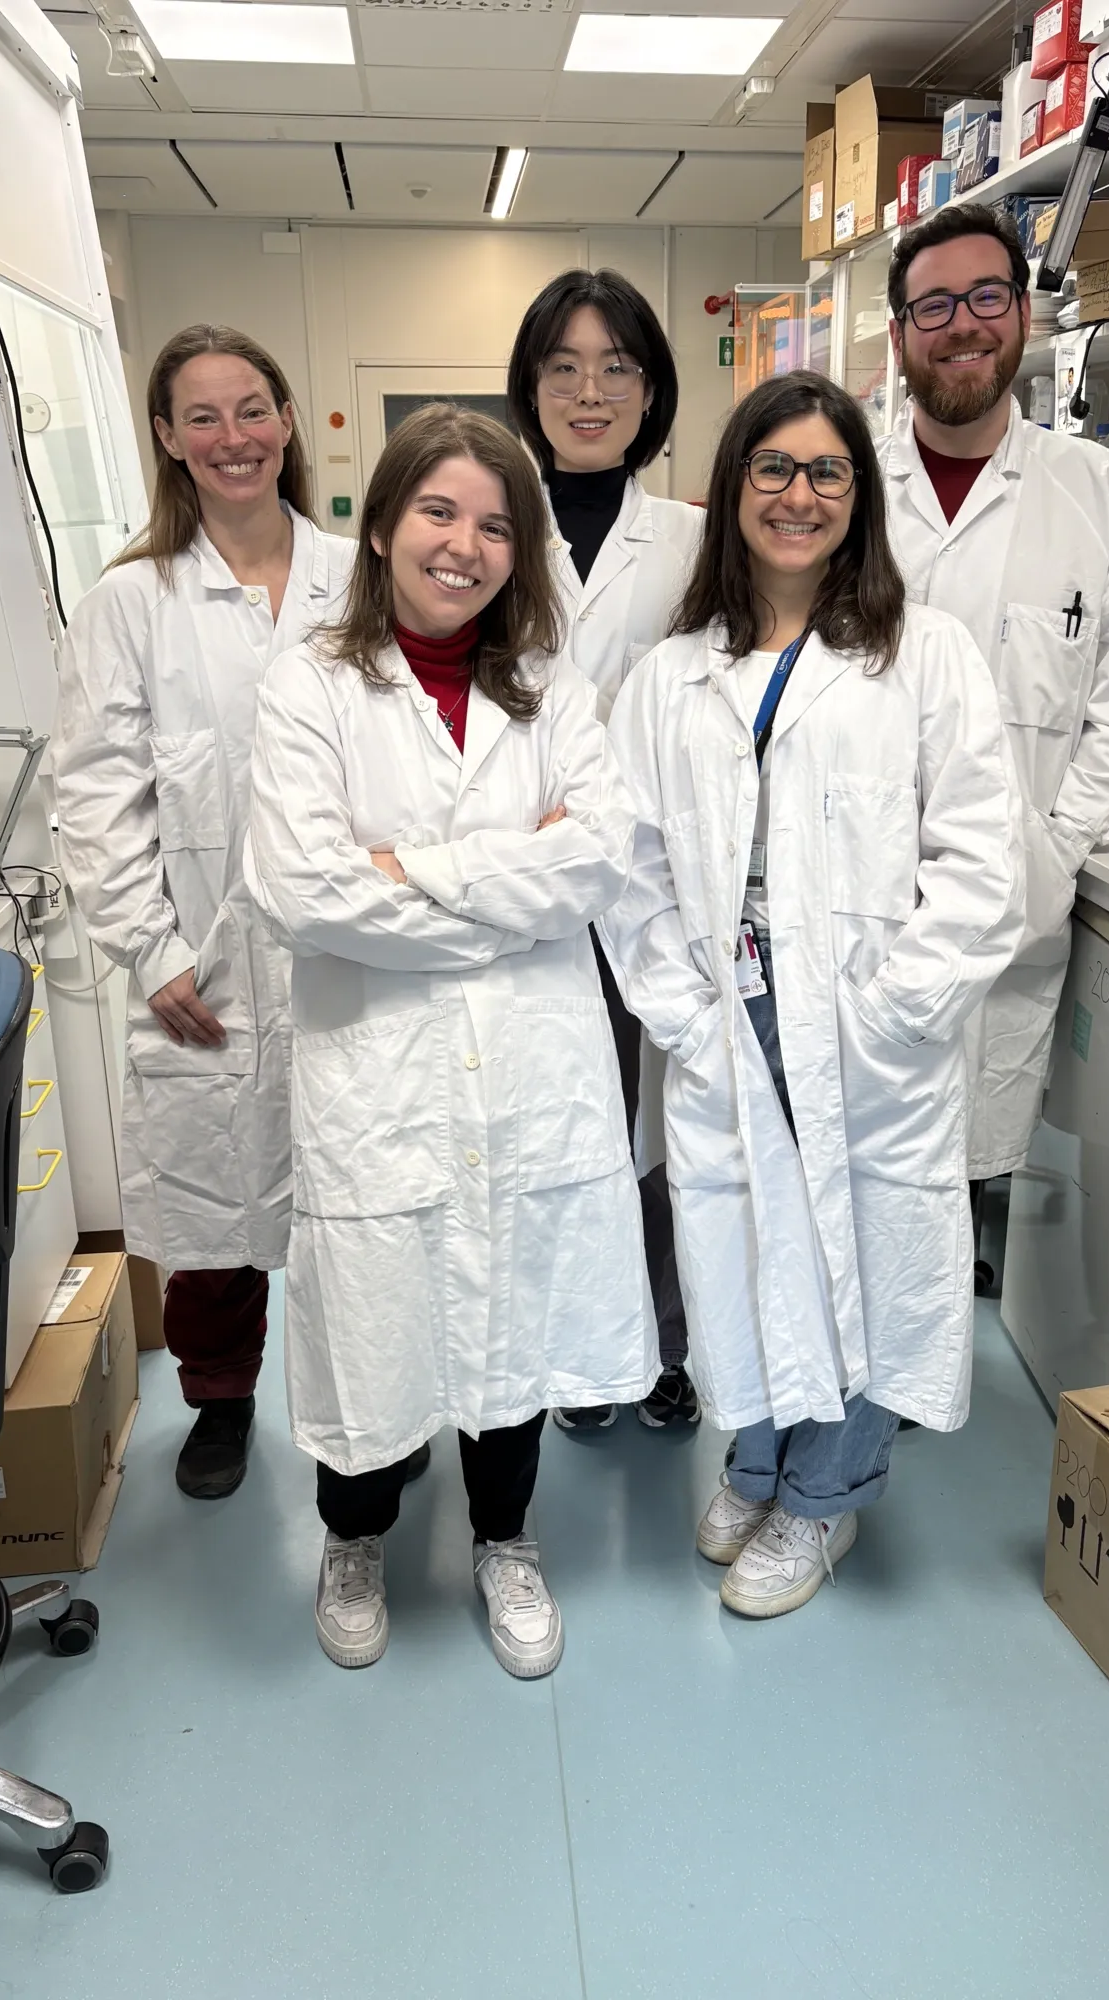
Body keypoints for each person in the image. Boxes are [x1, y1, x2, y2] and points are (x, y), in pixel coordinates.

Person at [599, 373, 1023, 1619]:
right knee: (741, 1243)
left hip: (864, 1015)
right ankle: (758, 1457)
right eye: (772, 468)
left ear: (860, 494)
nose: (798, 494)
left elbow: (982, 854)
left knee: (864, 1246)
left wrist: (894, 1006)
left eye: (826, 471)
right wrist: (681, 1009)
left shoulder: (924, 653)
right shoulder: (671, 677)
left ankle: (829, 1494)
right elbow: (623, 870)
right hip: (724, 1016)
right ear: (732, 490)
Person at [245, 404, 657, 1676]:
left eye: (494, 523)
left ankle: (504, 1535)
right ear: (378, 526)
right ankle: (356, 1534)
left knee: (514, 1308)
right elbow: (301, 887)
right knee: (373, 1312)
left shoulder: (549, 685)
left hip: (529, 1066)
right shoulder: (309, 679)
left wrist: (413, 873)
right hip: (380, 1070)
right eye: (438, 511)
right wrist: (503, 888)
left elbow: (600, 855)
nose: (465, 543)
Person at [53, 324, 355, 1503]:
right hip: (206, 964)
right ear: (169, 441)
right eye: (204, 417)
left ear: (287, 419)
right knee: (216, 1214)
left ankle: (365, 1401)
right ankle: (222, 1402)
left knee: (355, 1202)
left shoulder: (355, 575)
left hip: (345, 957)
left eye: (252, 409)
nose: (233, 436)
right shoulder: (132, 600)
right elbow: (95, 789)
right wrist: (151, 949)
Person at [881, 202, 1109, 1194]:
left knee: (954, 1192)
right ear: (899, 334)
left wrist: (1045, 856)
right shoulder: (842, 492)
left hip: (1011, 919)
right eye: (934, 305)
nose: (962, 323)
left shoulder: (1099, 491)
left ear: (1023, 314)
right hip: (857, 914)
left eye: (986, 296)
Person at [507, 267, 704, 1433]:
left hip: (656, 884)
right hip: (526, 888)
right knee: (546, 1128)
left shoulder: (690, 537)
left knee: (659, 1125)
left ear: (651, 389)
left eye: (617, 367)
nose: (591, 391)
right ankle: (572, 1349)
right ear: (530, 387)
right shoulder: (487, 519)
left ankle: (664, 1345)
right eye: (564, 367)